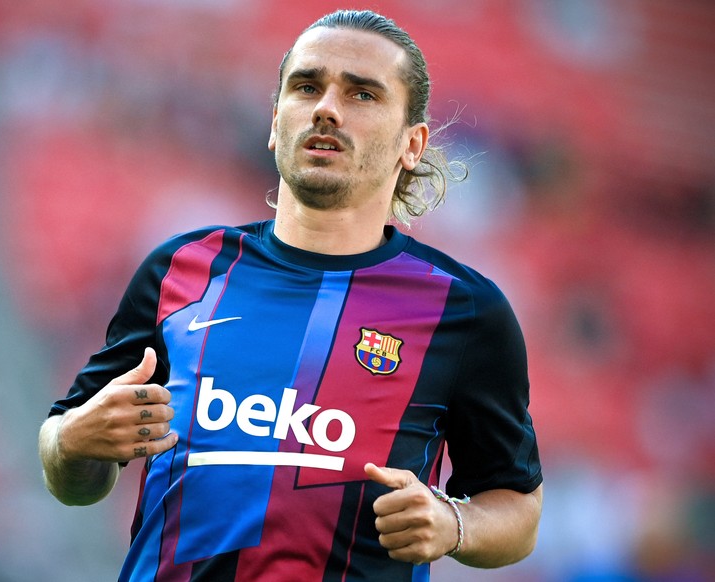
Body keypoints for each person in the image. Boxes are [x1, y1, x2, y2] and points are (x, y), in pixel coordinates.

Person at [39, 9, 543, 581]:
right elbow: (68, 466)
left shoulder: (463, 309)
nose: (327, 107)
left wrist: (454, 524)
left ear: (412, 143)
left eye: (362, 95)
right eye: (307, 87)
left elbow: (519, 511)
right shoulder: (180, 269)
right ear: (277, 121)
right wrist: (73, 443)